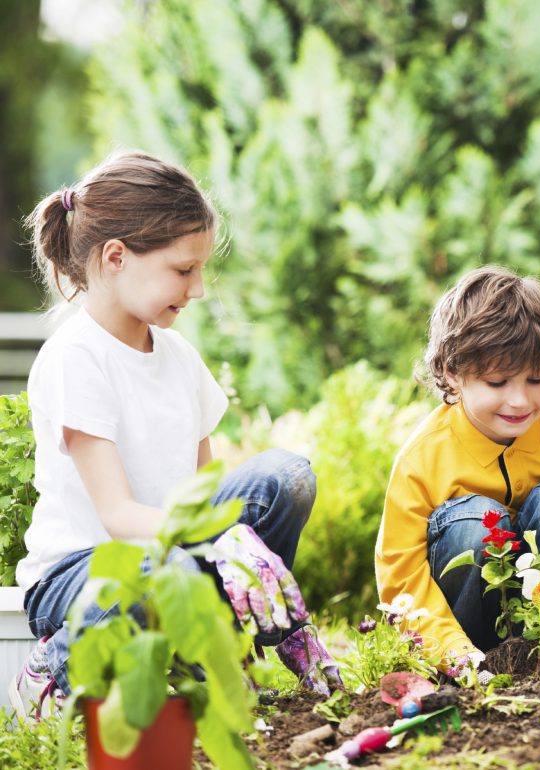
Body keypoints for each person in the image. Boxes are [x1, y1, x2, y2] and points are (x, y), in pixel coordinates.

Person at [11, 150, 343, 719]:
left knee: (287, 477)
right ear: (115, 257)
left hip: (172, 555)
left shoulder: (178, 357)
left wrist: (237, 543)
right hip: (82, 572)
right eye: (183, 270)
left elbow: (204, 487)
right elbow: (117, 515)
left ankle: (231, 638)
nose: (198, 290)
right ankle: (56, 666)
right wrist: (218, 539)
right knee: (169, 569)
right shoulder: (76, 357)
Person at [375, 265, 540, 664]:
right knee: (475, 522)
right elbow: (402, 579)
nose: (520, 401)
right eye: (497, 383)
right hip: (468, 647)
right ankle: (484, 663)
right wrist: (455, 654)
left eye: (536, 380)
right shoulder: (422, 458)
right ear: (453, 373)